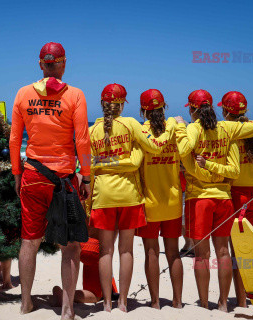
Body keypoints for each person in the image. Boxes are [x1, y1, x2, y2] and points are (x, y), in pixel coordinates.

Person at [9, 42, 91, 319]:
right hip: (64, 179)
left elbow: (14, 139)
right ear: (64, 63)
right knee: (69, 246)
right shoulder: (75, 95)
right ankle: (67, 309)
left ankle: (25, 303)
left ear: (41, 64)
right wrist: (87, 176)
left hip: (33, 174)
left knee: (29, 241)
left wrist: (17, 174)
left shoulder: (23, 93)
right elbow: (82, 140)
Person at [88, 83, 177, 312]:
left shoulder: (92, 130)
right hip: (129, 195)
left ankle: (106, 303)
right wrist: (170, 128)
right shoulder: (130, 124)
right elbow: (155, 147)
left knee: (105, 251)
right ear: (122, 105)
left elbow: (88, 167)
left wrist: (89, 204)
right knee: (126, 251)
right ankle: (123, 302)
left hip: (103, 196)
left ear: (101, 104)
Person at [175, 89, 253, 312]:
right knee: (225, 252)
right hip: (225, 197)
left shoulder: (193, 128)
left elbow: (185, 149)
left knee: (202, 256)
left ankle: (204, 305)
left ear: (193, 110)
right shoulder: (227, 129)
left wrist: (179, 126)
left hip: (200, 198)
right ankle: (225, 303)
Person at [218, 91, 253, 307]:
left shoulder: (229, 132)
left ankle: (241, 301)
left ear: (224, 111)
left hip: (237, 193)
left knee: (238, 248)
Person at [134, 89, 183, 309]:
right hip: (173, 199)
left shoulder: (141, 131)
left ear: (143, 110)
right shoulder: (173, 129)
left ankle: (155, 302)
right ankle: (178, 302)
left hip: (150, 201)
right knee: (173, 253)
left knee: (151, 251)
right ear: (164, 107)